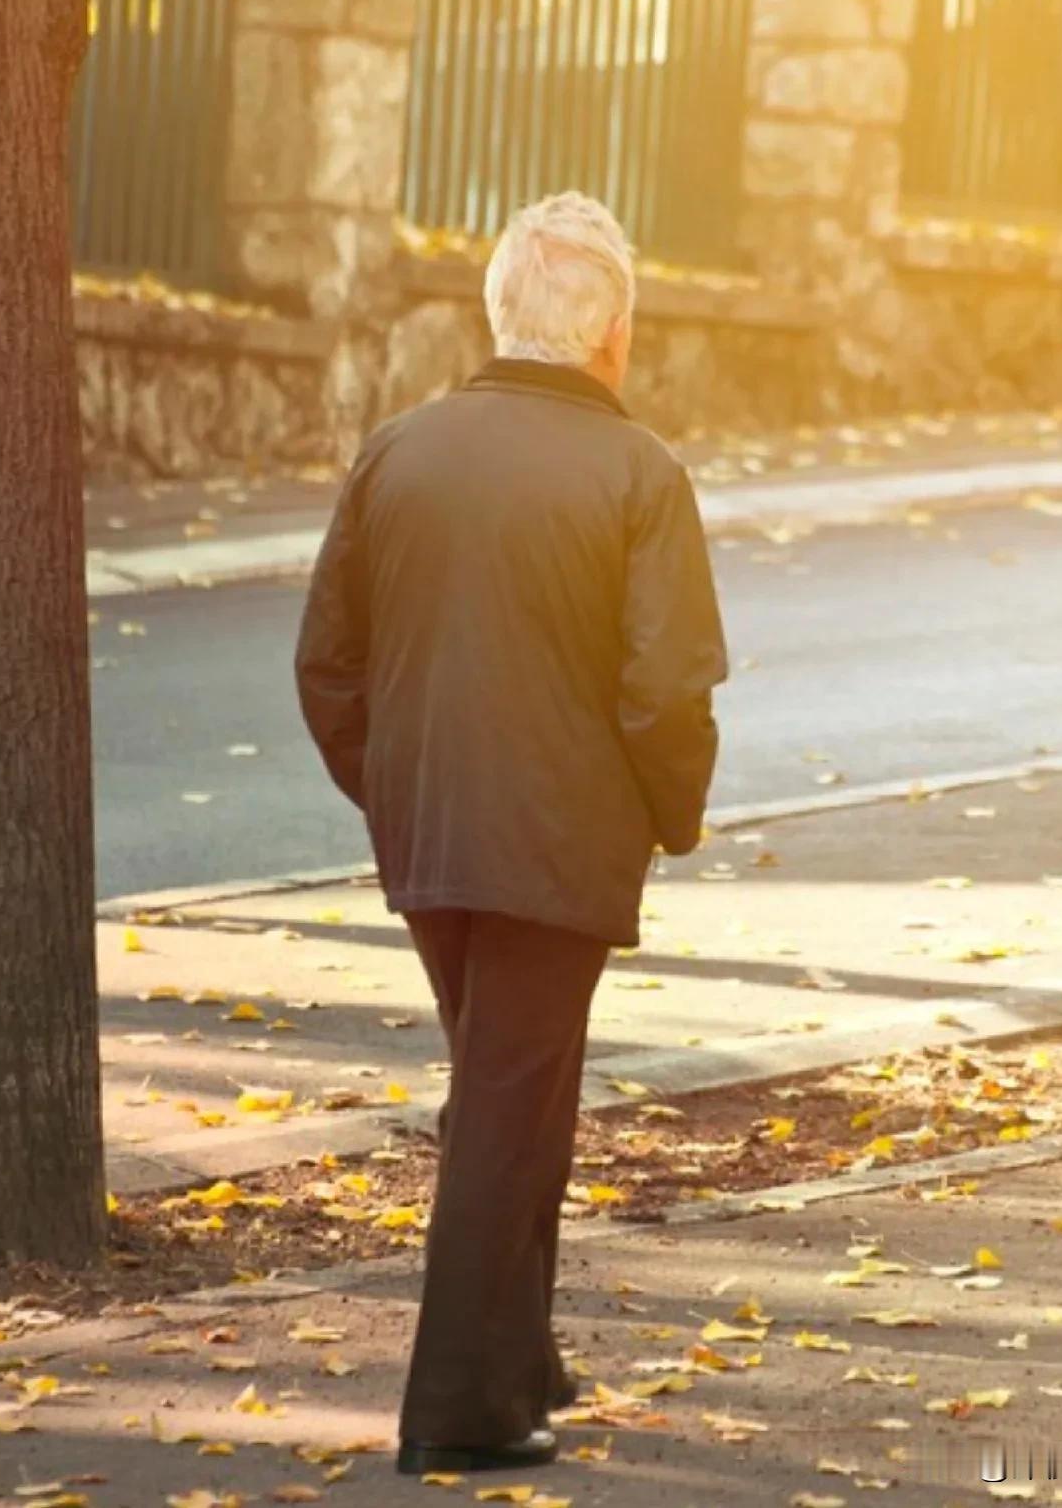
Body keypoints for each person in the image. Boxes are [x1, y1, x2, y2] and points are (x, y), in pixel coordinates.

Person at [295, 191, 728, 1476]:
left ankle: (523, 1357)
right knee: (507, 1107)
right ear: (614, 335)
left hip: (432, 838)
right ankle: (461, 1411)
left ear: (500, 316)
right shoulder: (640, 472)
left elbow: (329, 667)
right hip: (556, 845)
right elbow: (666, 692)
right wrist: (668, 817)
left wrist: (399, 796)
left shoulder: (397, 450)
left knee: (511, 1094)